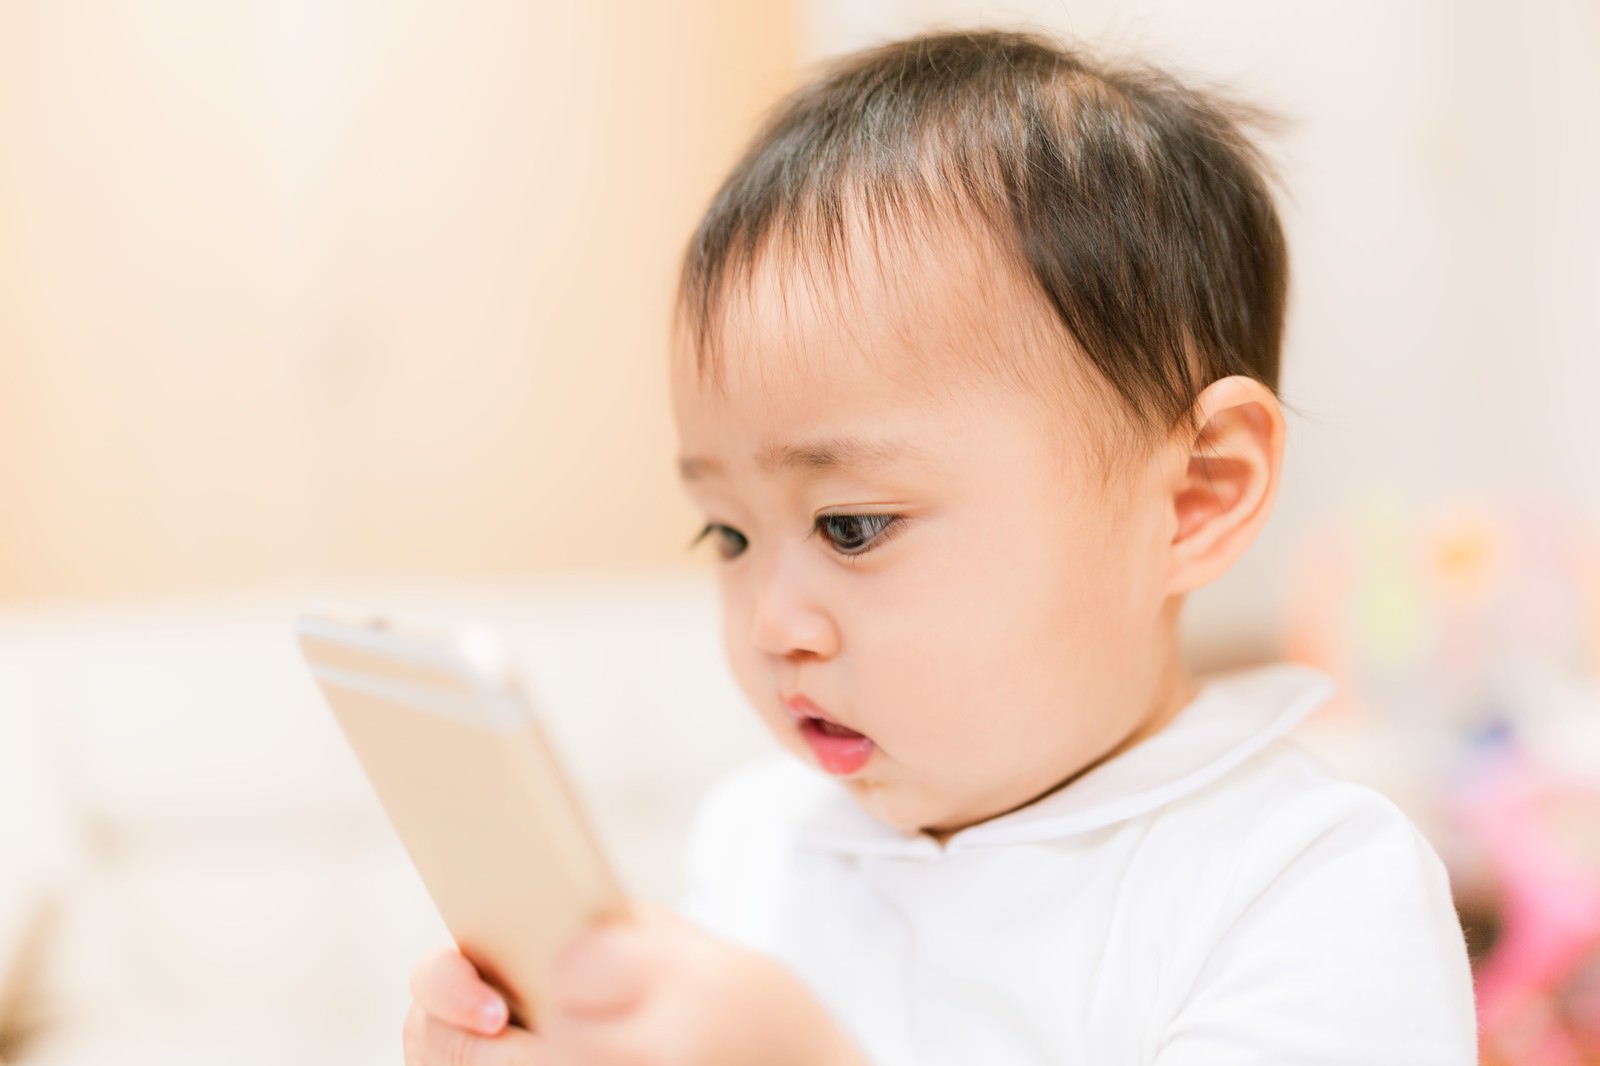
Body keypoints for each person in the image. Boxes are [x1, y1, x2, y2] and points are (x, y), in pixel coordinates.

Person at [402, 29, 1478, 1065]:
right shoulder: (764, 842)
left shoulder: (1305, 888)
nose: (774, 623)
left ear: (1194, 497)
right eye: (728, 532)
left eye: (851, 526)